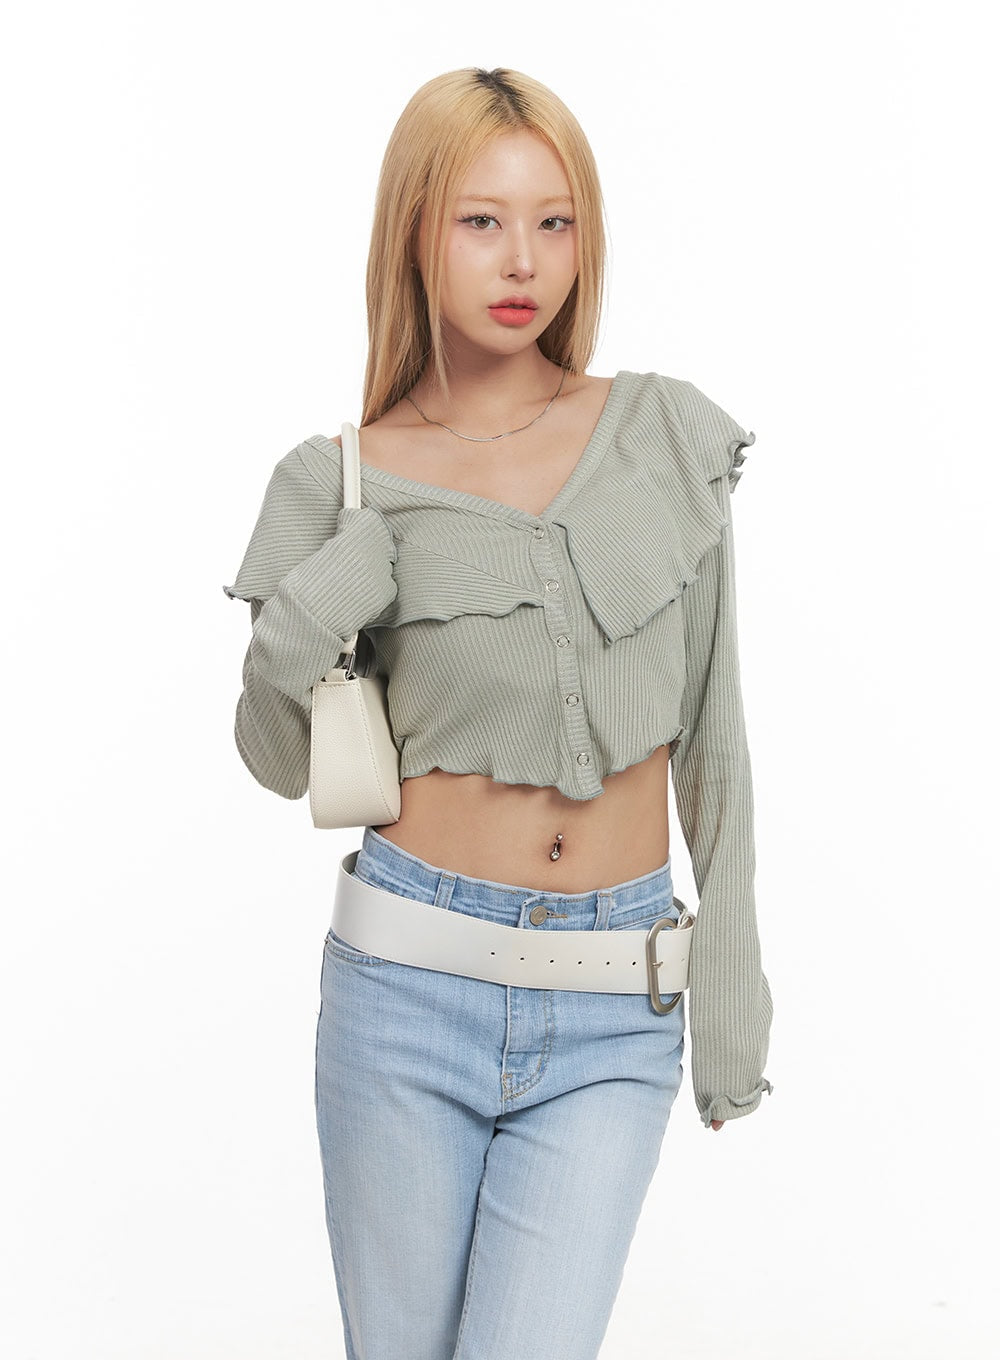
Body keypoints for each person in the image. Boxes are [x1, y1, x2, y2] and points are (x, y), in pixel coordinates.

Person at [223, 66, 773, 1360]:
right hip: (405, 991)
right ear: (414, 230)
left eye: (554, 221)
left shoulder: (661, 437)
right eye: (482, 220)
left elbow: (716, 728)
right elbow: (274, 759)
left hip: (615, 1005)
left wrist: (732, 974)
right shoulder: (339, 480)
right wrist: (309, 616)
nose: (524, 260)